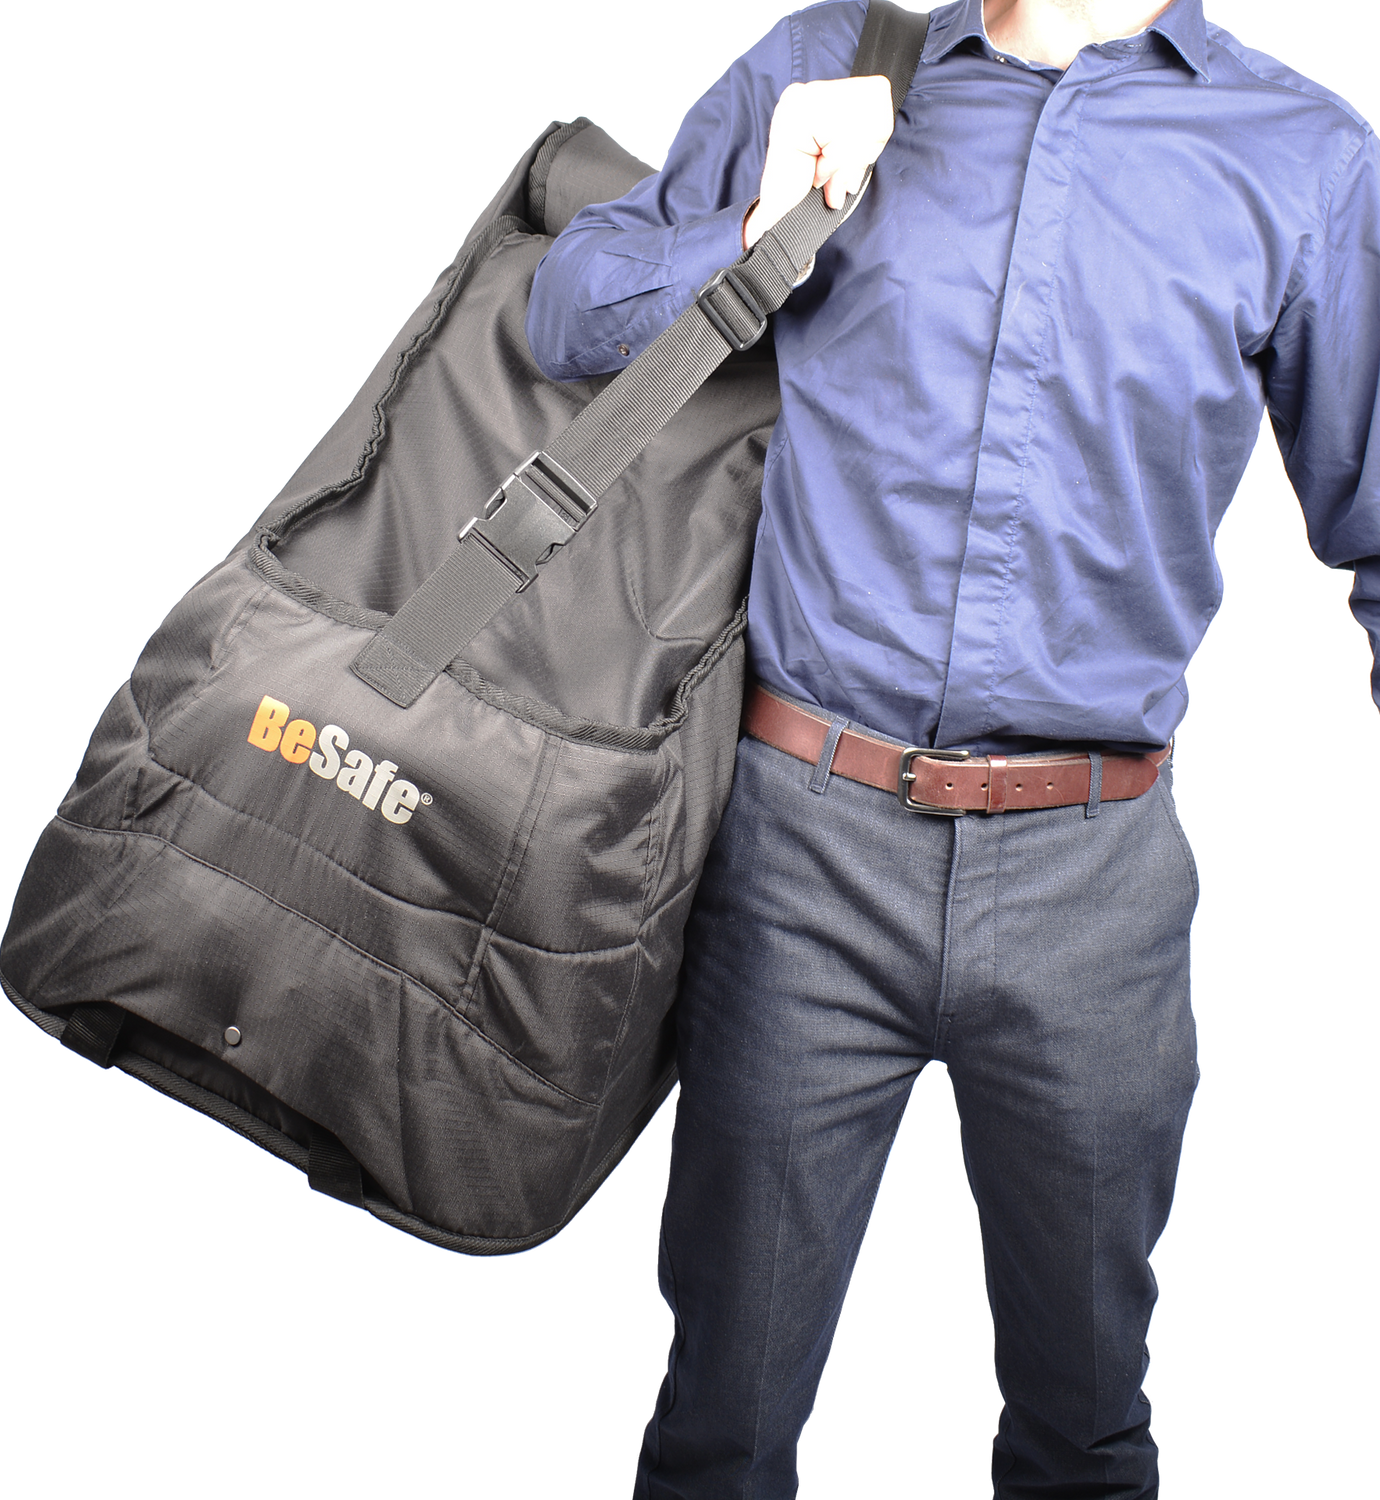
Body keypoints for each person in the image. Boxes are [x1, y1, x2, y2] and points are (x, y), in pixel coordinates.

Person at [524, 0, 1378, 1494]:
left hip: (1096, 881)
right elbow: (566, 314)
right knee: (722, 1429)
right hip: (796, 850)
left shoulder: (1304, 150)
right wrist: (761, 230)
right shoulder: (826, 57)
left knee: (1089, 1435)